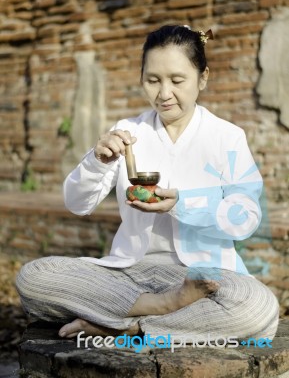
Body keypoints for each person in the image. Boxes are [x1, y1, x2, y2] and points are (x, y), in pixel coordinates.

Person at [16, 25, 279, 343]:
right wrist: (97, 161)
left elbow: (246, 217)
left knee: (257, 306)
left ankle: (125, 324)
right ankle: (162, 308)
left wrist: (181, 204)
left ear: (203, 78)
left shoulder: (227, 138)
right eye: (152, 80)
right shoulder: (127, 132)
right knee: (33, 278)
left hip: (201, 276)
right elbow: (77, 202)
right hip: (129, 273)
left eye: (177, 80)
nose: (164, 93)